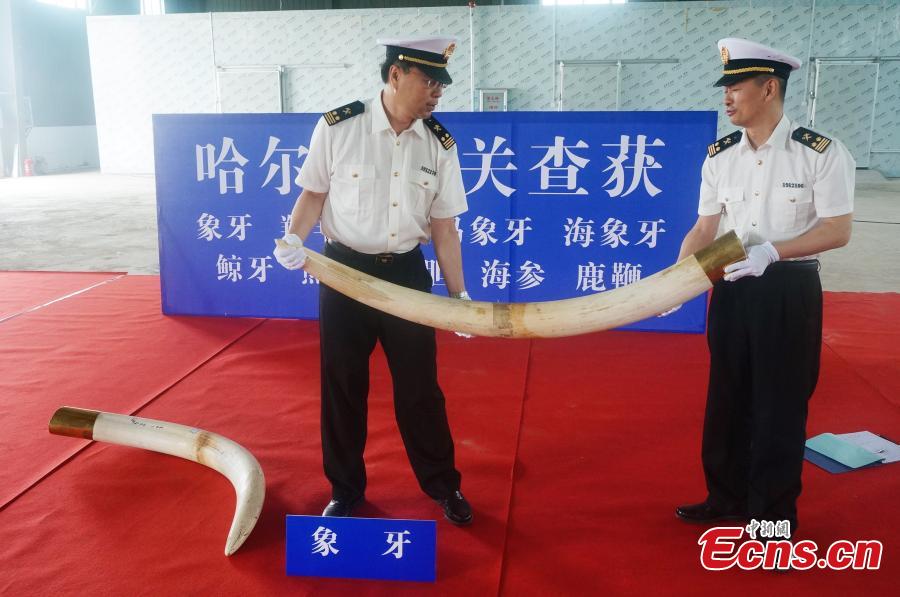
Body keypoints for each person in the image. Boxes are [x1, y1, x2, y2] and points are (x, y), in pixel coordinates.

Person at [273, 36, 473, 525]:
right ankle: (345, 490)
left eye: (441, 85)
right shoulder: (340, 126)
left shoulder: (439, 144)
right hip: (344, 274)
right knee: (343, 386)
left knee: (420, 389)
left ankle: (444, 487)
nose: (437, 93)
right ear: (396, 75)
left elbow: (445, 228)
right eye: (429, 82)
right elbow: (313, 195)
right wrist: (293, 239)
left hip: (406, 275)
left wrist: (459, 297)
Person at [672, 38, 854, 536]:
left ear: (769, 87)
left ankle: (772, 518)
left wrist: (772, 251)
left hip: (788, 291)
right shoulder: (720, 156)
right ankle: (725, 497)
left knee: (779, 403)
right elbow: (705, 228)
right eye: (725, 88)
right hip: (731, 285)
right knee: (726, 397)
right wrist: (677, 280)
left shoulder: (819, 153)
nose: (726, 97)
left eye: (735, 86)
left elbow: (837, 230)